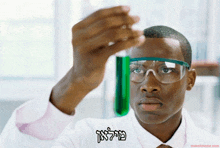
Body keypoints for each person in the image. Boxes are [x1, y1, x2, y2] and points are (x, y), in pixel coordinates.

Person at [0, 5, 219, 148]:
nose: (148, 85)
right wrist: (75, 82)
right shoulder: (96, 137)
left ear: (190, 79)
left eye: (166, 69)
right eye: (137, 70)